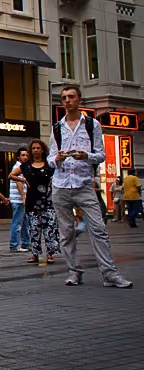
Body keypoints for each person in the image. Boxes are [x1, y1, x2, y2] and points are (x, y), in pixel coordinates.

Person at [48, 85, 132, 288]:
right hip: (60, 185)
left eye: (71, 97)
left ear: (79, 100)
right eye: (64, 97)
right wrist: (57, 158)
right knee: (66, 232)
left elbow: (101, 155)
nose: (67, 100)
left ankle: (109, 273)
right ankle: (74, 272)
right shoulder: (57, 128)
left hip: (84, 184)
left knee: (99, 229)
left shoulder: (91, 124)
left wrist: (87, 156)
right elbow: (50, 158)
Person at [10, 140, 59, 266]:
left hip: (48, 201)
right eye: (33, 148)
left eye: (38, 148)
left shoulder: (49, 165)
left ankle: (50, 254)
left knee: (50, 228)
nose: (36, 150)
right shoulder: (26, 165)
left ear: (43, 150)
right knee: (33, 228)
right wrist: (24, 180)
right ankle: (35, 254)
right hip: (32, 201)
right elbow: (11, 175)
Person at [8, 148, 30, 253]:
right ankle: (14, 245)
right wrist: (23, 197)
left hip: (20, 199)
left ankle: (26, 243)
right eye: (23, 155)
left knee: (25, 222)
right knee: (17, 223)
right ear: (18, 157)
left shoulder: (24, 167)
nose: (25, 157)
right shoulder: (17, 167)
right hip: (18, 200)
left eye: (26, 155)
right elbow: (18, 183)